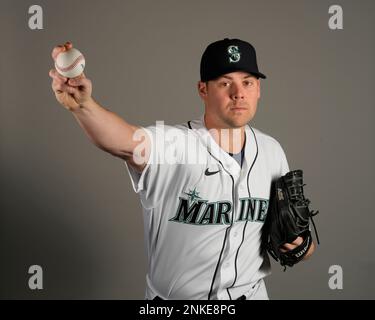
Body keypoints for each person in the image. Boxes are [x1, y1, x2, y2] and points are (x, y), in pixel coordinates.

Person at [49, 38, 315, 300]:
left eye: (248, 82)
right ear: (203, 90)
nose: (238, 93)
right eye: (225, 83)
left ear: (258, 89)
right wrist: (83, 106)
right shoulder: (174, 145)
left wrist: (301, 245)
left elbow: (293, 234)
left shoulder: (272, 151)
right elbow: (124, 141)